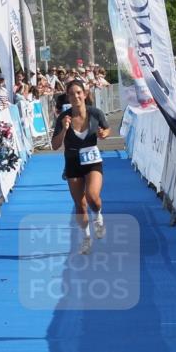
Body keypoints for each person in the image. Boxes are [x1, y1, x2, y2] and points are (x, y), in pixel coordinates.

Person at [50, 79, 110, 256]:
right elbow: (54, 145)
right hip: (72, 161)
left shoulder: (95, 113)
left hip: (92, 159)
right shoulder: (64, 117)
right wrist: (63, 129)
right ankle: (86, 238)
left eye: (78, 92)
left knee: (92, 197)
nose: (76, 96)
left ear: (84, 94)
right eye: (71, 93)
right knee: (80, 205)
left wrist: (103, 134)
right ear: (67, 96)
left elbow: (106, 130)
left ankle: (98, 216)